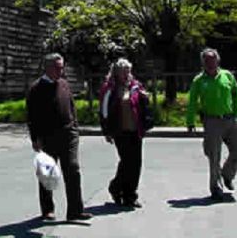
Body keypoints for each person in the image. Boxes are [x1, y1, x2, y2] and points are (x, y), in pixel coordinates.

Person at [26, 53, 92, 222]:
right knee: (47, 174)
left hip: (68, 135)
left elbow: (71, 106)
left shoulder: (64, 84)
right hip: (48, 137)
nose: (60, 71)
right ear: (47, 68)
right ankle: (47, 210)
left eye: (61, 67)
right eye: (57, 68)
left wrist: (75, 127)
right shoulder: (36, 89)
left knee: (73, 169)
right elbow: (32, 117)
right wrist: (35, 138)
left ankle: (75, 211)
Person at [185, 48, 237, 200]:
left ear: (217, 60)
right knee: (214, 156)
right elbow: (192, 102)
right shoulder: (199, 80)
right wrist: (190, 122)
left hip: (230, 119)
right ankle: (216, 188)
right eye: (206, 61)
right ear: (203, 63)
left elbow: (235, 94)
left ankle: (227, 174)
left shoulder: (227, 76)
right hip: (212, 121)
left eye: (212, 60)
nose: (210, 64)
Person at [98, 58, 153, 207]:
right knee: (127, 162)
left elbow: (144, 105)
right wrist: (106, 131)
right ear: (116, 73)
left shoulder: (136, 86)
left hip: (136, 130)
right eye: (123, 71)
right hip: (119, 131)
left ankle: (130, 195)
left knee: (136, 163)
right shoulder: (110, 89)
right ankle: (116, 187)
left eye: (128, 71)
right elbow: (103, 111)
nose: (126, 74)